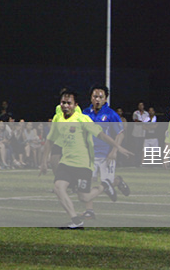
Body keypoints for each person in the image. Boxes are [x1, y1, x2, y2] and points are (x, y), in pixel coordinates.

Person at [39, 88, 132, 229]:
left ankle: (105, 185)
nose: (65, 106)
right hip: (66, 162)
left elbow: (101, 135)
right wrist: (44, 161)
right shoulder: (58, 118)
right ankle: (76, 221)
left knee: (84, 197)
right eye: (63, 102)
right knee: (58, 187)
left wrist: (117, 147)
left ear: (75, 105)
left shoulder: (83, 119)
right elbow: (50, 140)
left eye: (69, 103)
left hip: (83, 164)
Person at [81, 85, 130, 219]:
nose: (97, 99)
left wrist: (114, 151)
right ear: (91, 97)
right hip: (89, 155)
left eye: (100, 97)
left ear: (105, 99)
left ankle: (117, 181)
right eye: (95, 96)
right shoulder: (85, 113)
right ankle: (89, 210)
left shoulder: (111, 114)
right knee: (88, 183)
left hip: (106, 155)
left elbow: (120, 134)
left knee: (106, 183)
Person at [131, 100, 150, 167]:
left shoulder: (146, 113)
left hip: (143, 134)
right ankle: (135, 163)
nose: (141, 106)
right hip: (136, 133)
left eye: (142, 105)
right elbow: (136, 121)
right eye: (139, 105)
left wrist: (142, 122)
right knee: (136, 148)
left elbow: (147, 122)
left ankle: (141, 162)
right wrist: (143, 122)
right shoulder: (135, 113)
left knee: (142, 149)